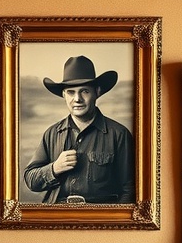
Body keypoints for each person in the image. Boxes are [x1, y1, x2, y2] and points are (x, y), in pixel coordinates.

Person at [24, 55, 134, 204]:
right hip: (57, 219)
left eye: (84, 91)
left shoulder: (119, 135)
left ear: (97, 92)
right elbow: (30, 179)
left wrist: (111, 223)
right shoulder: (51, 134)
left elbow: (129, 190)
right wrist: (54, 168)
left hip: (100, 221)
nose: (77, 99)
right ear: (64, 95)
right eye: (71, 92)